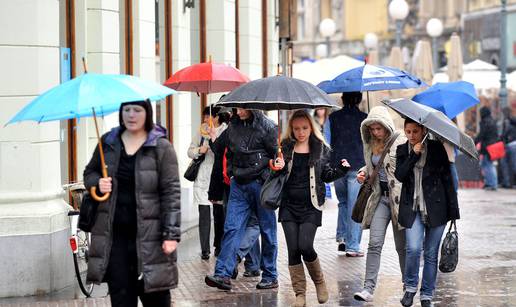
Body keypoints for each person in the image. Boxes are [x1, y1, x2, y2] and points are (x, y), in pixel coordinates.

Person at [83, 100, 180, 307]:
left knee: (156, 297)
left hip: (151, 238)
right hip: (116, 239)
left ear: (147, 113)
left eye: (137, 110)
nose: (131, 115)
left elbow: (171, 192)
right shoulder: (107, 142)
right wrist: (98, 183)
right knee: (121, 298)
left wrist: (171, 234)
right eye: (126, 110)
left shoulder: (161, 146)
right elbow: (89, 173)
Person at [272, 110, 350, 306]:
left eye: (304, 128)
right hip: (288, 205)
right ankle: (300, 294)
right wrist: (276, 165)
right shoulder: (285, 147)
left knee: (305, 246)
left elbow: (325, 175)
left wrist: (341, 170)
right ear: (291, 129)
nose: (301, 132)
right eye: (297, 129)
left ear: (311, 127)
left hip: (311, 205)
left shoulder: (320, 148)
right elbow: (274, 174)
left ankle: (319, 281)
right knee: (293, 249)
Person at [204, 108, 278, 291]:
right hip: (239, 185)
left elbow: (276, 155)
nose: (239, 110)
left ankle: (270, 275)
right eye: (237, 107)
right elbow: (221, 150)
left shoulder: (268, 126)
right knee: (231, 228)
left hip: (261, 184)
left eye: (243, 107)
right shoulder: (232, 126)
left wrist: (268, 173)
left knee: (268, 231)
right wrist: (232, 173)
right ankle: (223, 274)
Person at [395, 118, 460, 307]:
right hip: (412, 208)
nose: (412, 136)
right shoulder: (402, 150)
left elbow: (448, 179)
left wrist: (453, 211)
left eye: (415, 131)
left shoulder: (436, 148)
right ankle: (410, 288)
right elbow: (400, 175)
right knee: (413, 249)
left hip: (437, 208)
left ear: (423, 130)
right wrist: (413, 156)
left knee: (431, 253)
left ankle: (426, 296)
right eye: (408, 132)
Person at [353, 106, 406, 302]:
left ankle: (407, 286)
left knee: (402, 247)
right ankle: (368, 288)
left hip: (398, 200)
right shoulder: (371, 143)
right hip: (379, 199)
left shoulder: (400, 141)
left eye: (379, 128)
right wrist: (364, 172)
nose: (376, 132)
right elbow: (373, 165)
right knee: (374, 244)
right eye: (372, 129)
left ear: (387, 126)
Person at [324, 92, 367, 256]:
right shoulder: (365, 118)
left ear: (342, 100)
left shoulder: (332, 118)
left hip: (338, 166)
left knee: (343, 203)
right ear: (359, 100)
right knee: (355, 206)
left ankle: (342, 237)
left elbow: (326, 142)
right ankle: (353, 245)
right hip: (357, 166)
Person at [188, 106, 222, 260]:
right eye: (203, 117)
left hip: (217, 179)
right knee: (204, 215)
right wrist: (198, 151)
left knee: (219, 214)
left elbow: (222, 153)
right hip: (202, 179)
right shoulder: (200, 132)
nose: (204, 120)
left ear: (215, 117)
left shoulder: (223, 131)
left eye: (207, 117)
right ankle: (204, 249)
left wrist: (213, 141)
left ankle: (219, 246)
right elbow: (189, 151)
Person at [475, 106, 499, 190]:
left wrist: (474, 142)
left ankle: (492, 184)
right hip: (492, 146)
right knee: (486, 164)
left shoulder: (484, 121)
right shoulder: (492, 121)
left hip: (487, 146)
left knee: (488, 165)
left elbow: (482, 134)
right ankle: (489, 183)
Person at [500, 107, 516, 188]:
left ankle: (510, 183)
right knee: (505, 164)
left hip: (512, 144)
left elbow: (505, 133)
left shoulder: (510, 121)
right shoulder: (507, 121)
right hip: (508, 145)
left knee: (512, 164)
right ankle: (507, 182)